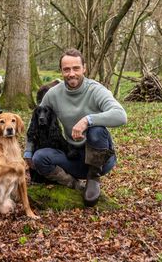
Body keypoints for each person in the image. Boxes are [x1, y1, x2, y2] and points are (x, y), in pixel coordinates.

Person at [24, 48, 127, 206]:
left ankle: (93, 179)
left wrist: (88, 119)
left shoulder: (96, 90)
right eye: (67, 69)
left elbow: (121, 116)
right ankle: (73, 185)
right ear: (61, 71)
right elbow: (35, 121)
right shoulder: (53, 94)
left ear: (84, 68)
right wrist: (28, 151)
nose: (71, 73)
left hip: (100, 160)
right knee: (40, 157)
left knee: (96, 130)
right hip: (73, 156)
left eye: (76, 68)